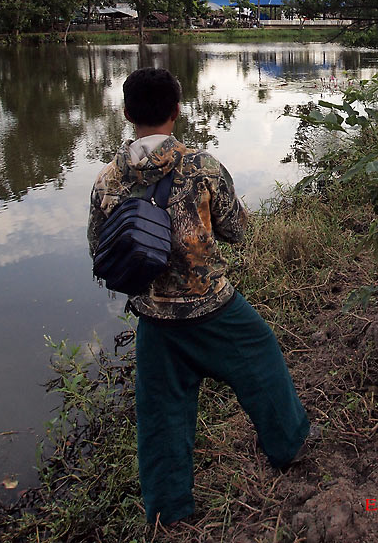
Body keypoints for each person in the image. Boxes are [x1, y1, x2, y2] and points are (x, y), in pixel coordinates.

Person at [87, 67, 311, 527]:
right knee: (263, 360)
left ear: (127, 113)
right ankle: (288, 446)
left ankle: (169, 511)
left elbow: (99, 249)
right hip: (214, 308)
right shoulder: (202, 167)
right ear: (177, 111)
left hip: (153, 319)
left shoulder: (107, 180)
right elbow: (236, 230)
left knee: (160, 417)